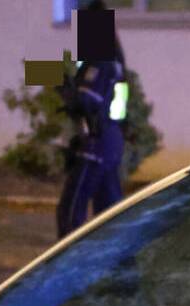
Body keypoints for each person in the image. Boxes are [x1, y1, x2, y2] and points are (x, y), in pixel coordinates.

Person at [54, 0, 126, 238]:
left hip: (97, 140)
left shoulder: (100, 63)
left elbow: (85, 101)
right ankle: (124, 266)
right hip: (110, 139)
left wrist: (56, 80)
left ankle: (68, 265)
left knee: (71, 210)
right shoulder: (112, 61)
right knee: (111, 212)